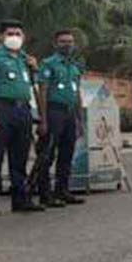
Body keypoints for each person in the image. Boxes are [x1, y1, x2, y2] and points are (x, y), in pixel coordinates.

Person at [0, 19, 45, 216]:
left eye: (18, 34)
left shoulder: (25, 59)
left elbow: (36, 85)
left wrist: (35, 67)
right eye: (10, 34)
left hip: (23, 110)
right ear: (1, 36)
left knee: (20, 158)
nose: (14, 37)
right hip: (2, 109)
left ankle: (20, 199)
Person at [33, 29, 87, 208]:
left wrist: (79, 121)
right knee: (47, 154)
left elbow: (77, 93)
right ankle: (44, 194)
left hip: (70, 112)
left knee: (67, 153)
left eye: (70, 42)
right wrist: (43, 118)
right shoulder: (48, 64)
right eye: (63, 41)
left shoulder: (74, 67)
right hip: (53, 112)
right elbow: (43, 91)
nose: (68, 45)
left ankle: (62, 190)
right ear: (55, 44)